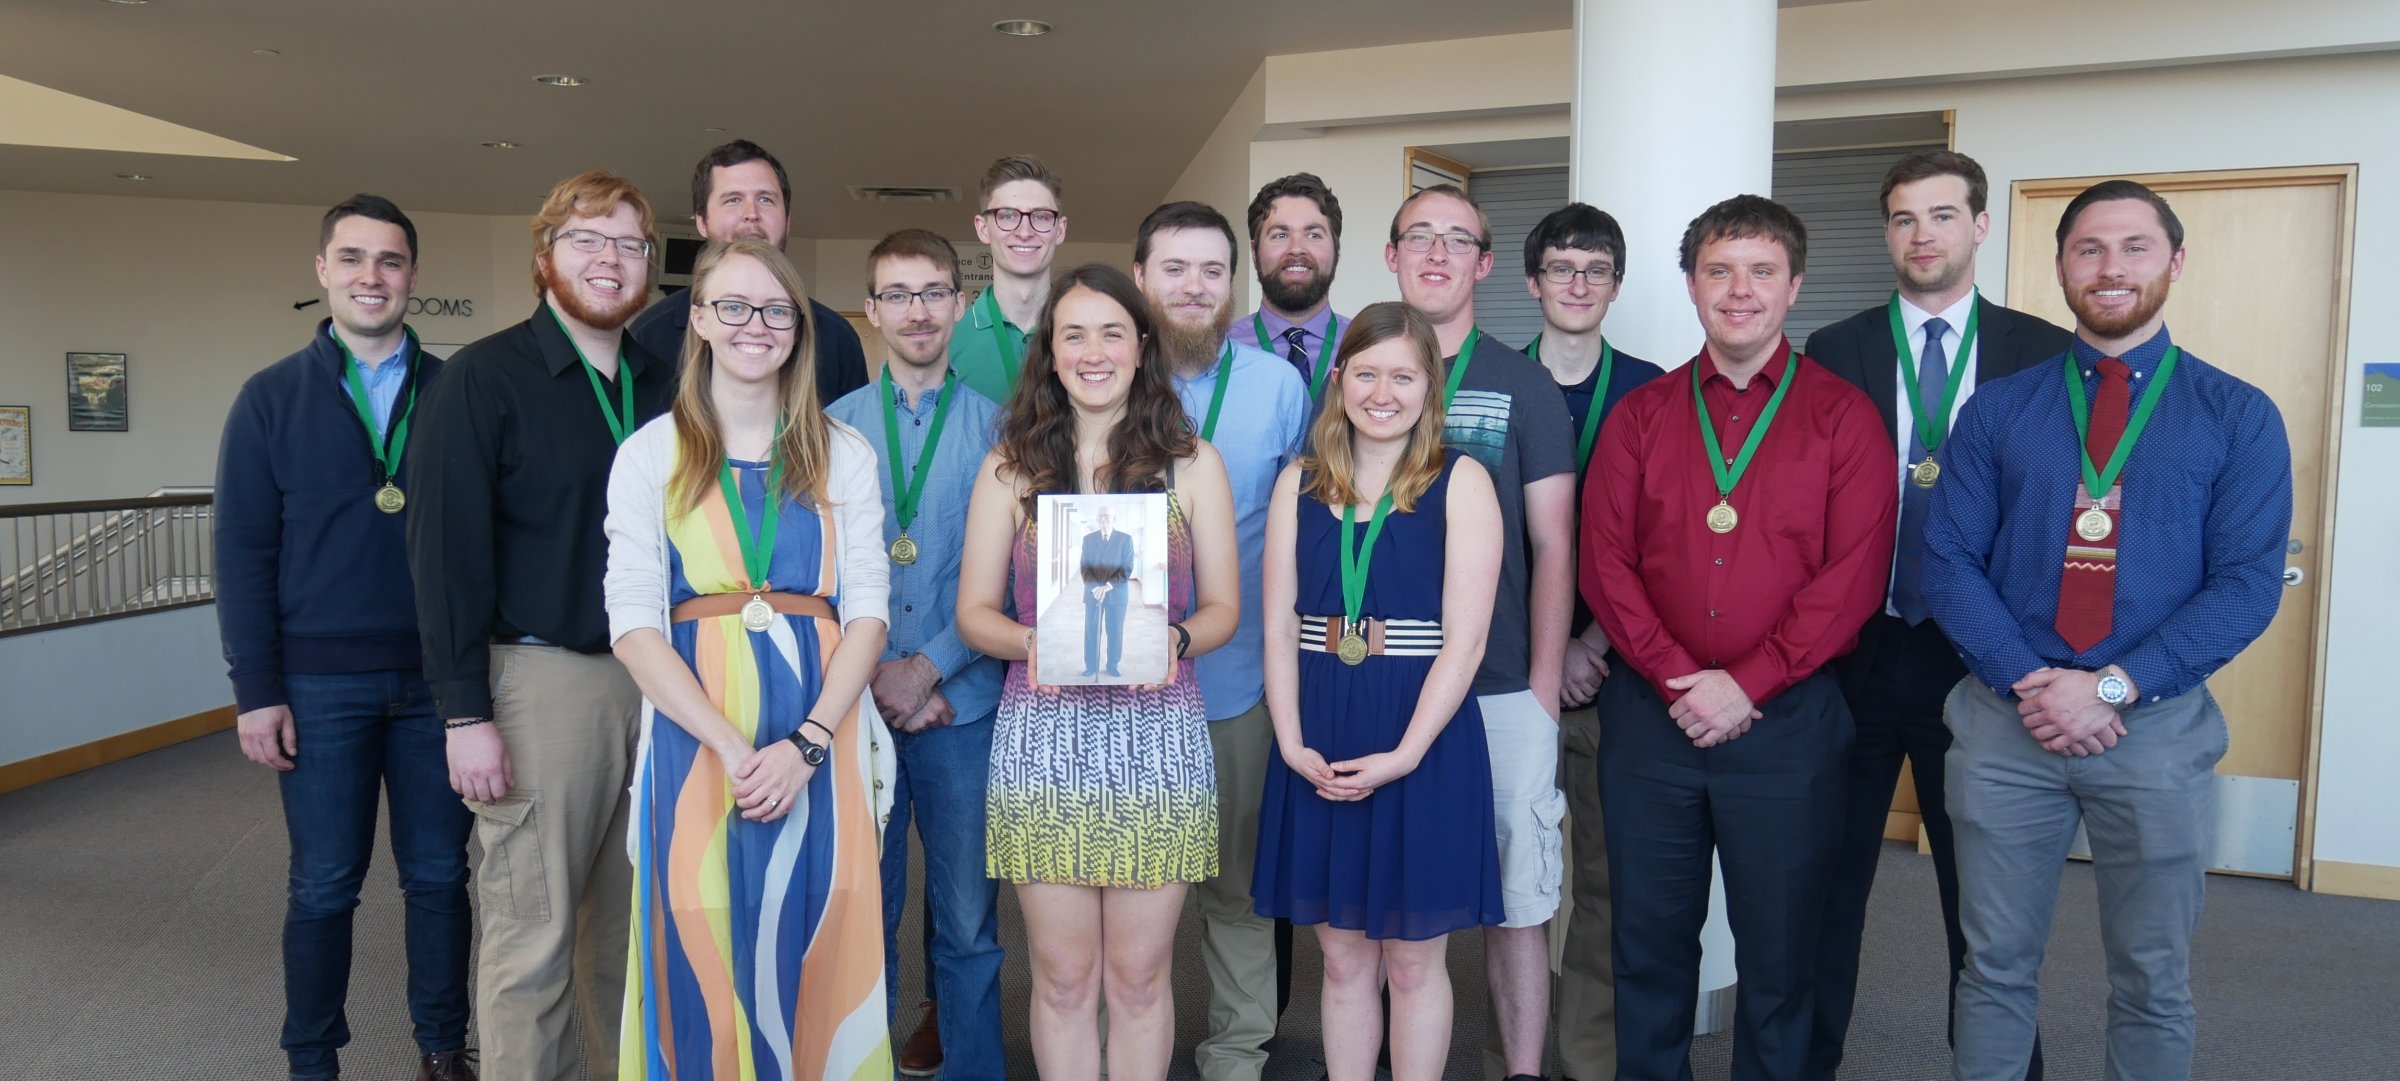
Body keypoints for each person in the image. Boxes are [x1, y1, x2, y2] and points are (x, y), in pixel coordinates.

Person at [1923, 180, 2291, 1081]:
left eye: (2134, 246)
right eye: (2089, 248)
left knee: (2153, 978)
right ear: (2060, 267)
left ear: (2174, 261)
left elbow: (2246, 584)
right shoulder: (2000, 410)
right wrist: (2031, 680)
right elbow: (1948, 561)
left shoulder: (2237, 415)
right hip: (2009, 725)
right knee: (1994, 968)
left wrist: (2112, 686)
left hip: (2154, 730)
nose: (2111, 267)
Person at [1579, 194, 1893, 1081]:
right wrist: (1684, 679)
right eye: (1720, 270)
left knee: (1783, 961)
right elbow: (1606, 563)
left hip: (1787, 728)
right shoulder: (1640, 416)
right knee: (1646, 952)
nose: (1740, 290)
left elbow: (1853, 578)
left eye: (1761, 271)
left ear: (1794, 285)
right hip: (1652, 725)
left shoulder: (1843, 417)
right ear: (1691, 286)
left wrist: (1748, 683)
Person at [1800, 150, 2071, 1081]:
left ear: (1981, 226)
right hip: (1858, 654)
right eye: (1906, 219)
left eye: (1943, 216)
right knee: (1828, 892)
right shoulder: (1835, 349)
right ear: (1887, 233)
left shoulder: (2042, 351)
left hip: (1984, 663)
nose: (1924, 235)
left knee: (1987, 901)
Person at [603, 237, 896, 1080]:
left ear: (799, 329)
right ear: (698, 319)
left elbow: (868, 613)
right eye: (732, 306)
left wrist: (805, 743)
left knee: (821, 940)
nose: (754, 326)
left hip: (823, 736)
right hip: (698, 742)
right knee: (698, 939)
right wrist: (731, 748)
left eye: (775, 309)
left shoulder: (843, 453)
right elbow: (632, 624)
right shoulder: (650, 454)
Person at [406, 170, 676, 1081]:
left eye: (630, 242)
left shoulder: (668, 383)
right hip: (540, 685)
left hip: (662, 684)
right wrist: (462, 711)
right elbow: (442, 557)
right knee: (533, 937)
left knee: (629, 938)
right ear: (543, 256)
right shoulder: (483, 379)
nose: (610, 258)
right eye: (587, 238)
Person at [214, 195, 477, 1081]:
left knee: (440, 878)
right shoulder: (268, 400)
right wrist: (258, 689)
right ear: (323, 271)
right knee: (324, 884)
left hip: (438, 685)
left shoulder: (455, 394)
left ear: (414, 278)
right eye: (354, 259)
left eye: (391, 261)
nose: (373, 276)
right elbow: (243, 553)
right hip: (318, 687)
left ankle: (442, 1048)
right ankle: (311, 1058)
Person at [956, 264, 1241, 1081]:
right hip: (1044, 742)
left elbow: (1223, 607)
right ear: (1048, 352)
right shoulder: (1011, 467)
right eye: (1072, 333)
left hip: (1157, 743)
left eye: (1112, 331)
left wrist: (1175, 640)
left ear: (1142, 347)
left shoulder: (1193, 463)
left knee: (1140, 978)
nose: (1092, 351)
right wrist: (1028, 643)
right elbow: (974, 611)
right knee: (1065, 976)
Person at [1254, 301, 1507, 1081]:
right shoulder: (1297, 483)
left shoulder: (1462, 480)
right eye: (1366, 373)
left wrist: (1404, 753)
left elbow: (1465, 643)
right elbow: (1278, 627)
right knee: (1340, 959)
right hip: (1319, 723)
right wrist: (1291, 739)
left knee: (1411, 961)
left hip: (1419, 731)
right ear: (1340, 379)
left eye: (1404, 375)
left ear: (1430, 386)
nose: (1383, 392)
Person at [1386, 183, 1576, 1081]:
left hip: (1500, 685)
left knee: (1520, 902)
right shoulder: (1361, 374)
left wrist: (1542, 684)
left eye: (1457, 239)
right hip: (1380, 680)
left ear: (1485, 265)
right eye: (1417, 235)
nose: (1435, 252)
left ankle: (1523, 1071)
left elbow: (1553, 541)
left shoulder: (1522, 381)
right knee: (1387, 894)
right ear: (1391, 257)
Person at [1134, 199, 1313, 1081]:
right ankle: (1129, 1051)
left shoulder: (1280, 387)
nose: (1195, 287)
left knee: (1236, 891)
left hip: (1237, 681)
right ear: (1141, 279)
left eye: (1213, 270)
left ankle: (1236, 1056)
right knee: (1127, 890)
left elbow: (1302, 534)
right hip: (1117, 693)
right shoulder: (1101, 377)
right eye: (1175, 268)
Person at [825, 229, 1009, 1081]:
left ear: (960, 303)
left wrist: (927, 668)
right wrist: (879, 675)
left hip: (964, 708)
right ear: (872, 310)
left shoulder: (1004, 432)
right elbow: (811, 577)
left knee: (966, 921)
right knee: (862, 911)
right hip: (855, 711)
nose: (918, 309)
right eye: (897, 293)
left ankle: (970, 1068)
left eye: (934, 291)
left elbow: (1018, 578)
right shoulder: (829, 431)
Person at [1519, 201, 1664, 1081]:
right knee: (1516, 892)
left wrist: (1594, 642)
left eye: (1596, 270)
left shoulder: (1653, 389)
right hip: (1506, 672)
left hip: (1617, 672)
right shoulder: (1487, 378)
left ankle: (1589, 1062)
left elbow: (1662, 537)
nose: (1578, 284)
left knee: (1606, 887)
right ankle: (1519, 1061)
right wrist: (1544, 651)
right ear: (1533, 282)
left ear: (1615, 285)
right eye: (1563, 268)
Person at [629, 139, 869, 405]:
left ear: (787, 221)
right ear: (701, 222)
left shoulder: (838, 338)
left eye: (766, 199)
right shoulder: (649, 334)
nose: (751, 214)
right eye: (733, 200)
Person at [950, 155, 1069, 405]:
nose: (1025, 232)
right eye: (1006, 215)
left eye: (1041, 216)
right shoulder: (948, 336)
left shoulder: (1087, 331)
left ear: (1060, 229)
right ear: (983, 228)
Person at [1234, 173, 1350, 404]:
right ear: (1254, 250)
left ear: (1336, 248)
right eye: (1280, 235)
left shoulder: (1367, 345)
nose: (1296, 249)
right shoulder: (1222, 350)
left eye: (1313, 234)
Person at [1077, 504, 1138, 677]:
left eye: (1107, 516)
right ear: (1097, 520)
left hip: (1117, 594)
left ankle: (1113, 664)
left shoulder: (1125, 539)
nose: (1103, 519)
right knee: (1091, 630)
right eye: (1100, 516)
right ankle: (1091, 666)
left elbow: (1127, 567)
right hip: (1093, 592)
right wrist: (1095, 587)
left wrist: (1108, 586)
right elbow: (1084, 567)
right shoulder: (1089, 539)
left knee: (1115, 630)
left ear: (1114, 519)